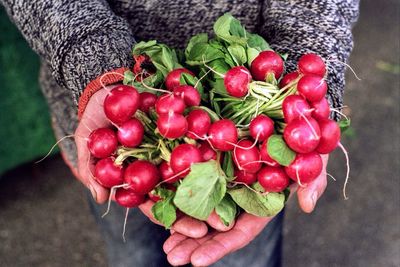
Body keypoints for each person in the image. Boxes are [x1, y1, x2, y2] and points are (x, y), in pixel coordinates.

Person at [1, 0, 359, 266]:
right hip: (93, 100)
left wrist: (304, 53)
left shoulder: (252, 132)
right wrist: (95, 65)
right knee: (133, 250)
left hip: (244, 144)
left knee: (243, 254)